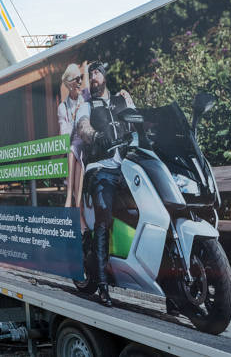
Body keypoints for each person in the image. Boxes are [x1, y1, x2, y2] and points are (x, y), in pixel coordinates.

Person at [77, 61, 136, 308]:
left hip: (127, 168)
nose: (93, 77)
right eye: (90, 74)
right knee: (104, 217)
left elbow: (138, 122)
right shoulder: (86, 105)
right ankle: (102, 284)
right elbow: (82, 128)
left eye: (97, 73)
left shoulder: (123, 100)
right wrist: (96, 137)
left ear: (105, 76)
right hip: (100, 169)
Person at [57, 62, 91, 208]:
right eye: (76, 79)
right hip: (75, 146)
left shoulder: (86, 96)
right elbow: (64, 135)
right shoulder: (63, 107)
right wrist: (74, 117)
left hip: (88, 143)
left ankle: (69, 198)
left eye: (81, 78)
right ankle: (78, 209)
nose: (79, 82)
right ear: (69, 83)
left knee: (73, 152)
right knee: (73, 152)